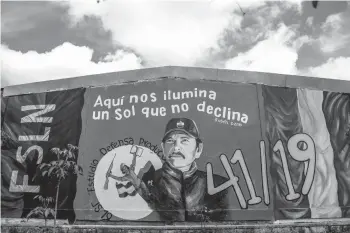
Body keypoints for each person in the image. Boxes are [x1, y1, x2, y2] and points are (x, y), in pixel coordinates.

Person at [120, 118, 233, 222]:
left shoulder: (219, 185)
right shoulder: (148, 182)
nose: (176, 147)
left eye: (184, 140)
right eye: (170, 141)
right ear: (163, 148)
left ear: (198, 149)